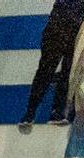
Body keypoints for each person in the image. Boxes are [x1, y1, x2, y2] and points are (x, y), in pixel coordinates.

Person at [23, 0, 84, 128]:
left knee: (57, 73)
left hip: (61, 31)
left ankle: (36, 113)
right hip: (62, 31)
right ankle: (39, 112)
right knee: (57, 73)